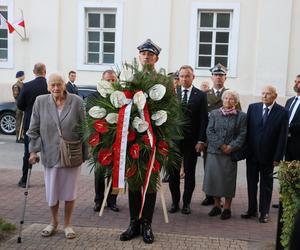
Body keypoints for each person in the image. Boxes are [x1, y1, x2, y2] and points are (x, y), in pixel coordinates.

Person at [27, 73, 85, 239]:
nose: (56, 88)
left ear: (64, 85)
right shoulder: (40, 102)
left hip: (71, 153)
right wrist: (33, 151)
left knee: (69, 191)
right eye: (52, 85)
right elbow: (33, 129)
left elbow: (84, 128)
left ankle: (68, 224)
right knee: (52, 191)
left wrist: (85, 153)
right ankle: (53, 222)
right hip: (50, 153)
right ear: (48, 87)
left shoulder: (77, 102)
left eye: (59, 84)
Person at [120, 39, 161, 244]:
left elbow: (170, 112)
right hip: (133, 140)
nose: (146, 56)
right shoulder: (130, 79)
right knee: (134, 182)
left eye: (150, 54)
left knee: (150, 184)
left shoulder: (163, 81)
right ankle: (133, 223)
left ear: (156, 58)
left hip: (154, 141)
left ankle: (147, 224)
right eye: (143, 54)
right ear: (139, 56)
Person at [241, 85, 288, 223]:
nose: (264, 96)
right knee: (251, 183)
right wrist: (244, 150)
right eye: (263, 93)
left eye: (268, 94)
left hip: (269, 157)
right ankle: (252, 209)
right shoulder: (253, 107)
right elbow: (247, 131)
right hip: (252, 155)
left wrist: (278, 157)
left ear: (275, 96)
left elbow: (282, 137)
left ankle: (264, 212)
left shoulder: (282, 112)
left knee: (266, 185)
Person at [168, 65, 208, 215]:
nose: (184, 79)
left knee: (190, 174)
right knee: (173, 174)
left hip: (192, 142)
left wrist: (201, 140)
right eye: (182, 76)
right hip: (174, 141)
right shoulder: (172, 93)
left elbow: (204, 120)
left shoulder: (200, 95)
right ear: (178, 78)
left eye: (187, 76)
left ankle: (186, 203)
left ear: (193, 77)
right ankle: (174, 202)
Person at [201, 63, 241, 206]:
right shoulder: (205, 95)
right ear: (212, 77)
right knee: (209, 168)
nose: (218, 77)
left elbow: (238, 117)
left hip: (228, 140)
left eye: (221, 75)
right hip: (210, 140)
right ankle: (210, 195)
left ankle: (224, 198)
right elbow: (203, 119)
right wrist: (203, 139)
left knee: (225, 171)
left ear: (225, 77)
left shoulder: (232, 95)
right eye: (216, 75)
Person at [203, 90, 247, 220]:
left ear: (236, 102)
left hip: (230, 154)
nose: (228, 100)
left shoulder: (242, 116)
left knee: (227, 181)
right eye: (226, 98)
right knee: (214, 180)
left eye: (231, 99)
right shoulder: (215, 114)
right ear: (223, 100)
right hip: (214, 152)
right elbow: (209, 131)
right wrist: (221, 145)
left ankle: (227, 208)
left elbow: (242, 134)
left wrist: (231, 147)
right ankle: (217, 206)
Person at [17, 63, 48, 188]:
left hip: (30, 123)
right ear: (45, 72)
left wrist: (28, 109)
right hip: (47, 123)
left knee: (28, 153)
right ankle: (50, 179)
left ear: (34, 72)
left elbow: (20, 105)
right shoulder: (50, 86)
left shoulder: (27, 86)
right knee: (49, 152)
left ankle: (25, 180)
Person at [94, 70, 119, 212]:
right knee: (99, 174)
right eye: (108, 80)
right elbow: (90, 121)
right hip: (100, 142)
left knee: (114, 173)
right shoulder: (94, 97)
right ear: (102, 81)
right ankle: (98, 200)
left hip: (116, 142)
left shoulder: (121, 98)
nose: (110, 83)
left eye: (113, 80)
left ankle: (112, 201)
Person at [12, 70, 25, 143]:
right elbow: (16, 96)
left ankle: (21, 136)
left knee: (22, 122)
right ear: (20, 76)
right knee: (19, 121)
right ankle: (18, 137)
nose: (24, 76)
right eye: (23, 75)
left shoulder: (23, 84)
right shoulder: (16, 85)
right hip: (19, 106)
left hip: (23, 105)